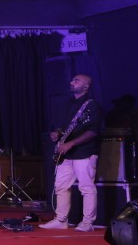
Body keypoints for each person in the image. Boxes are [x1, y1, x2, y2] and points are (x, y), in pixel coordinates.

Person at [42, 74, 102, 231]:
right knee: (61, 186)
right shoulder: (68, 104)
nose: (71, 82)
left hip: (84, 152)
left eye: (76, 80)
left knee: (86, 187)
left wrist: (71, 143)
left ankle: (87, 222)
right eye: (72, 80)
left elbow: (93, 131)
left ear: (86, 86)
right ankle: (61, 220)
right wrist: (56, 134)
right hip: (66, 153)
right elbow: (63, 128)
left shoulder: (92, 106)